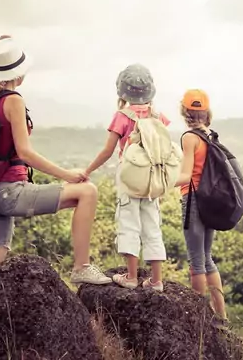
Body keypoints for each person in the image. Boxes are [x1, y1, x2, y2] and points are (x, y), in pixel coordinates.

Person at [0, 35, 111, 286]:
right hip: (10, 194)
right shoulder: (13, 100)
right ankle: (81, 267)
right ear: (19, 74)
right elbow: (25, 153)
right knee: (87, 192)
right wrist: (66, 174)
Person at [85, 64, 170, 291]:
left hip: (129, 179)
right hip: (152, 181)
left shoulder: (121, 117)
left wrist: (87, 171)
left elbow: (107, 151)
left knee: (129, 224)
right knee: (152, 226)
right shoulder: (158, 116)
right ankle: (156, 281)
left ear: (122, 91)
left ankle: (131, 277)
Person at [176, 89, 228, 327]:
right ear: (206, 111)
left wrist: (160, 182)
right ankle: (221, 317)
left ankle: (200, 319)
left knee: (196, 260)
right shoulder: (211, 135)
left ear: (185, 111)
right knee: (208, 259)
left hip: (194, 201)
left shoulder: (189, 137)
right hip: (212, 202)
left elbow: (186, 175)